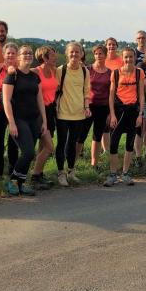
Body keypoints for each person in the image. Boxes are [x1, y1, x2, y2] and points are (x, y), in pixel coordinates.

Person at [3, 45, 48, 196]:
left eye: (30, 53)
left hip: (34, 119)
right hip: (19, 119)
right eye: (24, 53)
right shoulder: (12, 75)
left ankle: (21, 184)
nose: (28, 55)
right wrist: (11, 122)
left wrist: (44, 121)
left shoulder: (35, 76)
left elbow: (40, 100)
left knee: (30, 153)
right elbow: (6, 101)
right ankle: (13, 181)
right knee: (28, 152)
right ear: (18, 57)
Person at [103, 47, 145, 186]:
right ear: (122, 58)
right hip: (118, 111)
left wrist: (141, 114)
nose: (128, 60)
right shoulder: (115, 73)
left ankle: (125, 173)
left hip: (133, 111)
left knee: (129, 144)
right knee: (113, 144)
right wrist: (113, 115)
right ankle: (113, 174)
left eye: (131, 57)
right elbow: (110, 95)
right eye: (126, 57)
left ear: (134, 57)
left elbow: (141, 95)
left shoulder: (139, 73)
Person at [55, 42, 91, 186]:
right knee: (61, 143)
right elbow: (55, 89)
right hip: (62, 113)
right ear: (67, 54)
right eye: (72, 52)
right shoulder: (60, 70)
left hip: (78, 113)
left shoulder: (85, 71)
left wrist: (87, 106)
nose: (74, 54)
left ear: (82, 54)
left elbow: (86, 91)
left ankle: (71, 172)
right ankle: (60, 173)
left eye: (77, 52)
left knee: (72, 144)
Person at [0, 43, 20, 180]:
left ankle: (13, 171)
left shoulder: (21, 70)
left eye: (13, 53)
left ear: (17, 55)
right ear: (4, 55)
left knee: (14, 142)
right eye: (8, 53)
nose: (10, 55)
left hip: (16, 111)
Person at [77, 44, 112, 168]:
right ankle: (72, 165)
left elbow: (111, 94)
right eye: (96, 53)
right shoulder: (87, 69)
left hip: (103, 107)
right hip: (88, 106)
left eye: (101, 53)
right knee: (81, 135)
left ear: (105, 55)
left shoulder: (110, 73)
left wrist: (110, 113)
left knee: (97, 136)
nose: (98, 56)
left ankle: (94, 163)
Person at [29, 46, 58, 190]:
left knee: (42, 146)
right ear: (44, 58)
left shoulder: (53, 71)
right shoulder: (35, 72)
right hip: (39, 111)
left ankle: (39, 174)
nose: (55, 57)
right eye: (52, 55)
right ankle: (34, 176)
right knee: (49, 147)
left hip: (51, 110)